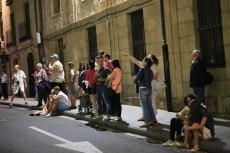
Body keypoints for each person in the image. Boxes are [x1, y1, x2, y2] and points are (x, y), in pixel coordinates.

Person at [122, 53, 159, 121]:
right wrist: (128, 55)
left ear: (152, 60)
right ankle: (145, 116)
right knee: (145, 102)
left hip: (151, 85)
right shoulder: (143, 66)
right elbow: (135, 61)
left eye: (149, 57)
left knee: (151, 101)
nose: (147, 58)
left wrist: (146, 76)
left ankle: (153, 116)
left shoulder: (153, 67)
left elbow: (156, 76)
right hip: (147, 85)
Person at [134, 57, 156, 127]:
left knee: (144, 106)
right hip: (149, 88)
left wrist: (136, 81)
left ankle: (147, 121)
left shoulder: (142, 69)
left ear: (146, 63)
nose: (142, 61)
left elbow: (136, 79)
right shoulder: (150, 71)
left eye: (143, 60)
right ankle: (153, 119)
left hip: (143, 88)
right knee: (149, 105)